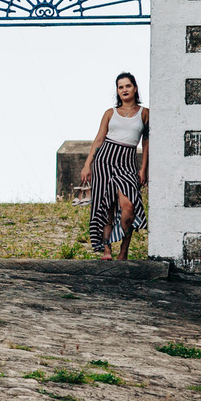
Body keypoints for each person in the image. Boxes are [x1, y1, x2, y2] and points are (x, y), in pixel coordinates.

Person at [80, 72, 149, 260]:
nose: (124, 90)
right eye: (120, 87)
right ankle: (106, 249)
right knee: (105, 206)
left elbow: (146, 143)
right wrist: (88, 165)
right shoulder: (110, 113)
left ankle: (124, 251)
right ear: (117, 91)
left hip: (127, 162)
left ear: (135, 88)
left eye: (128, 86)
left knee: (128, 207)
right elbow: (99, 139)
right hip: (104, 160)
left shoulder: (144, 114)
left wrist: (143, 169)